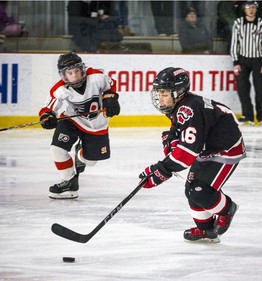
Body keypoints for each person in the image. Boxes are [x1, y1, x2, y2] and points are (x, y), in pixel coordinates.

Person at [139, 67, 246, 242]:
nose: (160, 97)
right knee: (191, 191)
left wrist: (161, 171)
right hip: (206, 148)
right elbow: (182, 135)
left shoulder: (188, 109)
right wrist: (171, 139)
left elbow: (187, 153)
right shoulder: (180, 104)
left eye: (165, 93)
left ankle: (227, 209)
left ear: (178, 92)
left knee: (199, 192)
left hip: (225, 149)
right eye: (159, 93)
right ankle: (207, 231)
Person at [38, 52, 120, 199]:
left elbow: (110, 86)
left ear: (82, 69)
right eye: (70, 73)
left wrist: (110, 98)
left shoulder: (96, 77)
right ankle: (69, 182)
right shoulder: (60, 89)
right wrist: (47, 117)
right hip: (72, 121)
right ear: (63, 75)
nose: (74, 76)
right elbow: (48, 109)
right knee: (56, 149)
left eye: (76, 71)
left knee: (91, 161)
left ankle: (80, 153)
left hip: (97, 125)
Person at [230, 1, 262, 126]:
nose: (251, 10)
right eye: (248, 7)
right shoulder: (238, 23)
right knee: (242, 88)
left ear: (256, 9)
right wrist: (236, 62)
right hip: (243, 60)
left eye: (253, 7)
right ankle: (247, 115)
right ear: (244, 9)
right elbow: (234, 43)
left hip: (258, 60)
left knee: (260, 88)